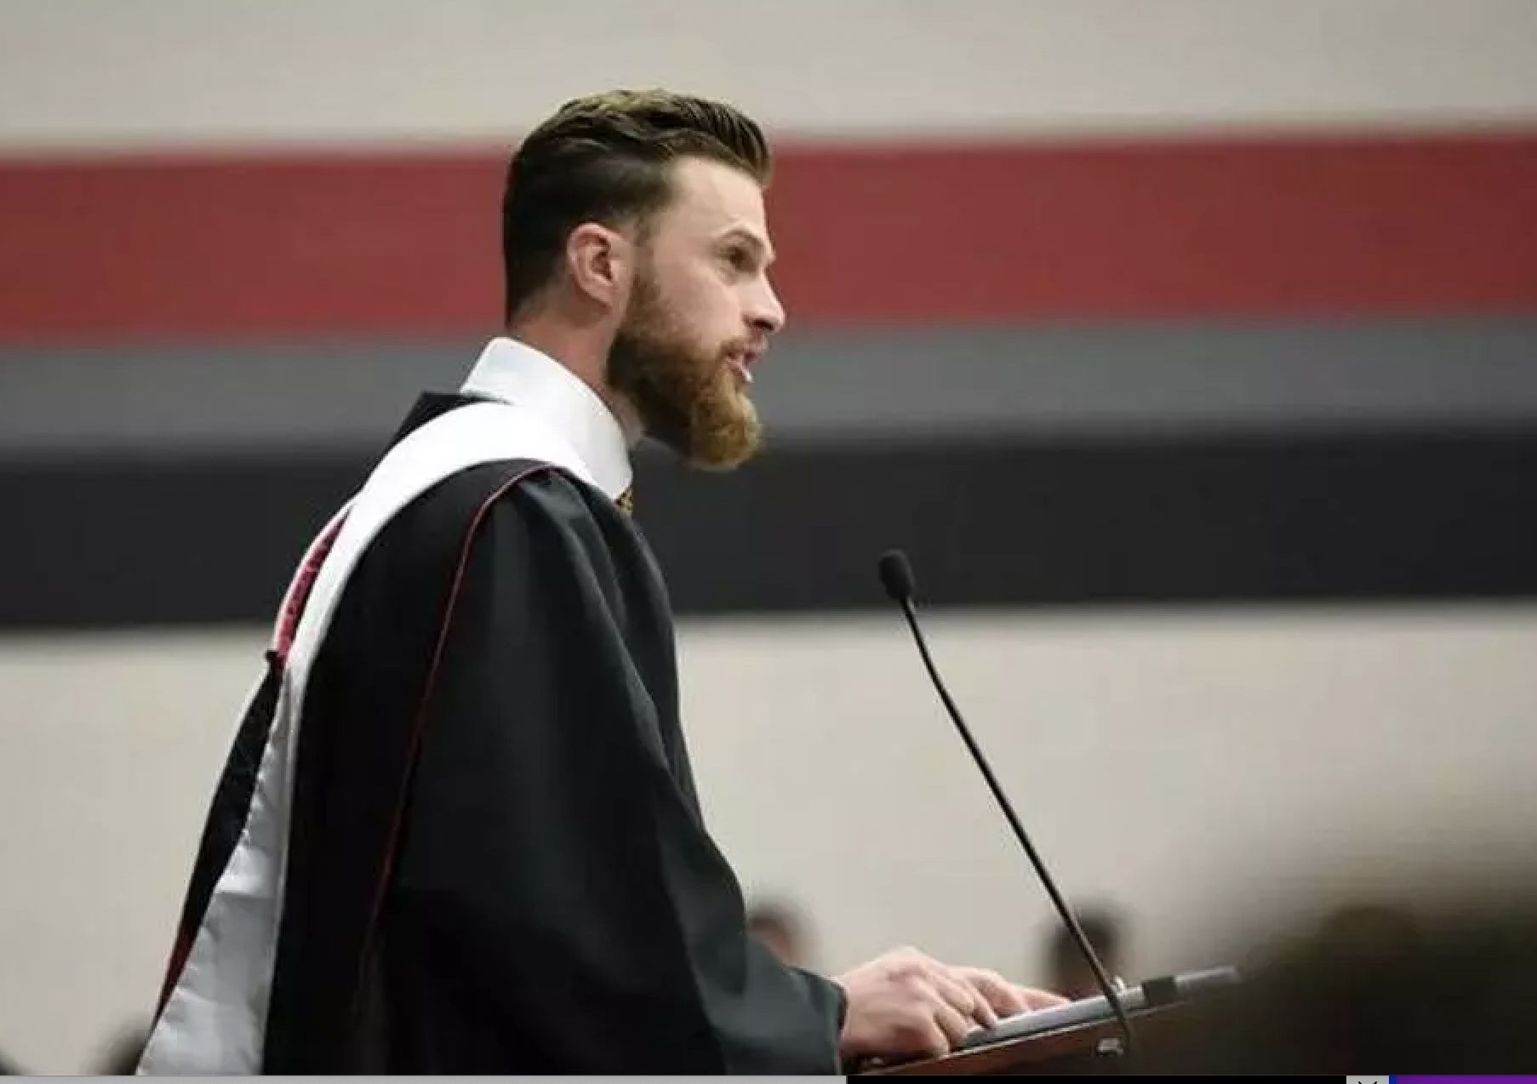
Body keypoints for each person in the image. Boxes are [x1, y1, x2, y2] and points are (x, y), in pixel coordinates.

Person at [137, 89, 1064, 1075]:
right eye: (733, 259)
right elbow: (568, 929)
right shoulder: (515, 512)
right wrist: (813, 1015)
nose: (771, 308)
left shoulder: (451, 489)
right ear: (598, 264)